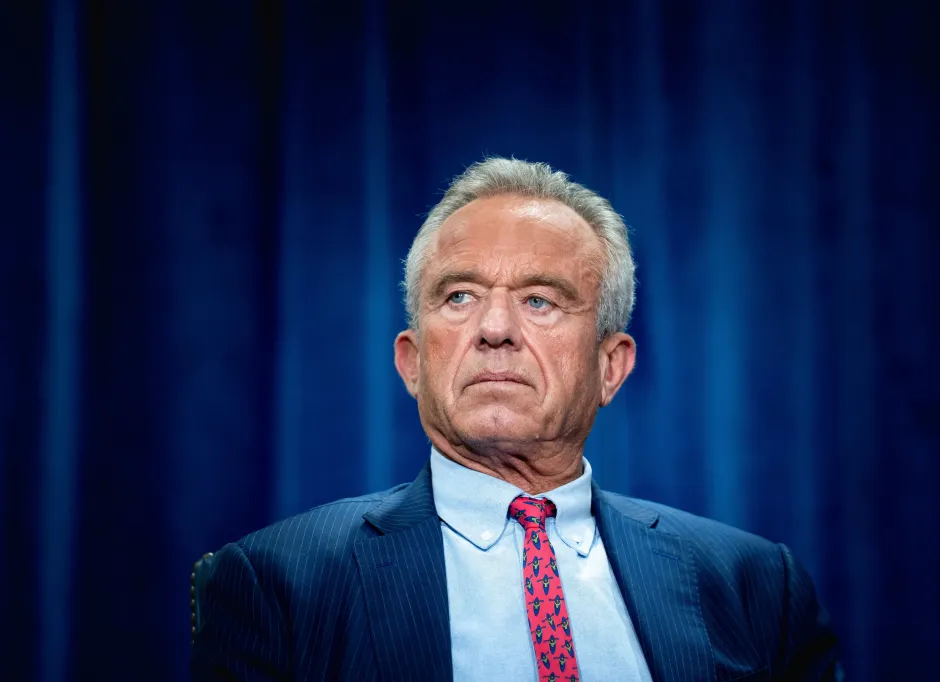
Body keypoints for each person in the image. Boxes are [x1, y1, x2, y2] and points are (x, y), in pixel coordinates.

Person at [190, 157, 840, 681]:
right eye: (460, 296)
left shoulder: (756, 588)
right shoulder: (277, 585)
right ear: (412, 362)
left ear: (610, 366)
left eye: (540, 299)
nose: (494, 329)